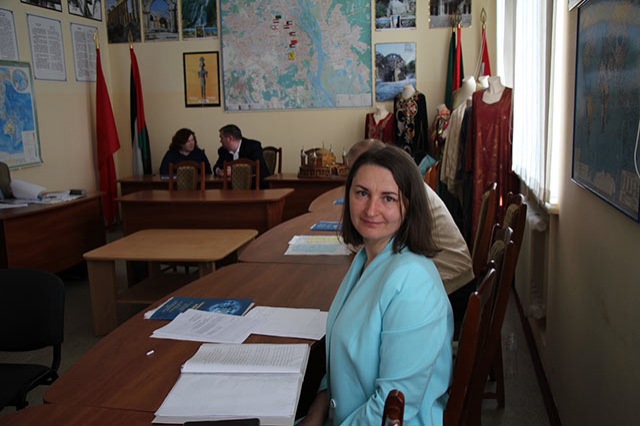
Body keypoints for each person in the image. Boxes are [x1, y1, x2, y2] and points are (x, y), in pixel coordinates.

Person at [301, 145, 453, 425]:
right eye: (362, 193)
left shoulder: (413, 283)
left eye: (388, 198)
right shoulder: (366, 257)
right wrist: (318, 407)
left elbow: (392, 407)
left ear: (409, 205)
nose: (371, 210)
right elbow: (343, 356)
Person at [344, 139, 474, 292]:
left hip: (452, 279)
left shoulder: (405, 191)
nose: (371, 211)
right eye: (362, 193)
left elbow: (377, 237)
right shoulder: (398, 181)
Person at [214, 124, 271, 188]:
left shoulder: (253, 146)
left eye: (221, 138)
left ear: (230, 138)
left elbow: (259, 167)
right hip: (231, 188)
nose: (220, 141)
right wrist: (219, 171)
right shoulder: (222, 150)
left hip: (255, 186)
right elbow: (216, 166)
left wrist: (235, 171)